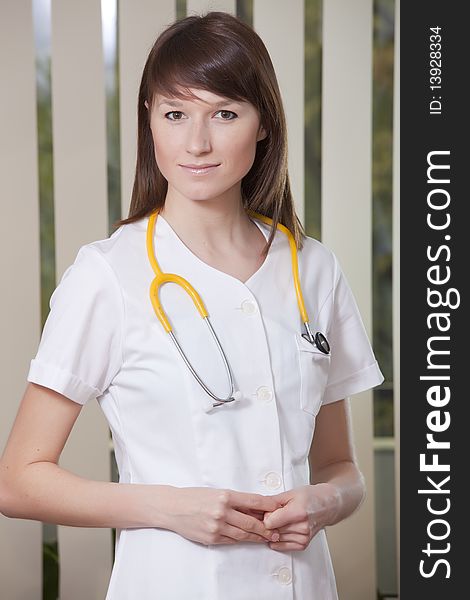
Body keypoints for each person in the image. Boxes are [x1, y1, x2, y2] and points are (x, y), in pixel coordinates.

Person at [0, 11, 384, 600]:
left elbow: (342, 468)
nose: (196, 142)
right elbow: (18, 482)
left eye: (225, 114)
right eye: (175, 114)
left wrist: (325, 501)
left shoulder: (313, 269)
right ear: (149, 122)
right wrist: (169, 508)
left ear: (263, 125)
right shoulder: (108, 274)